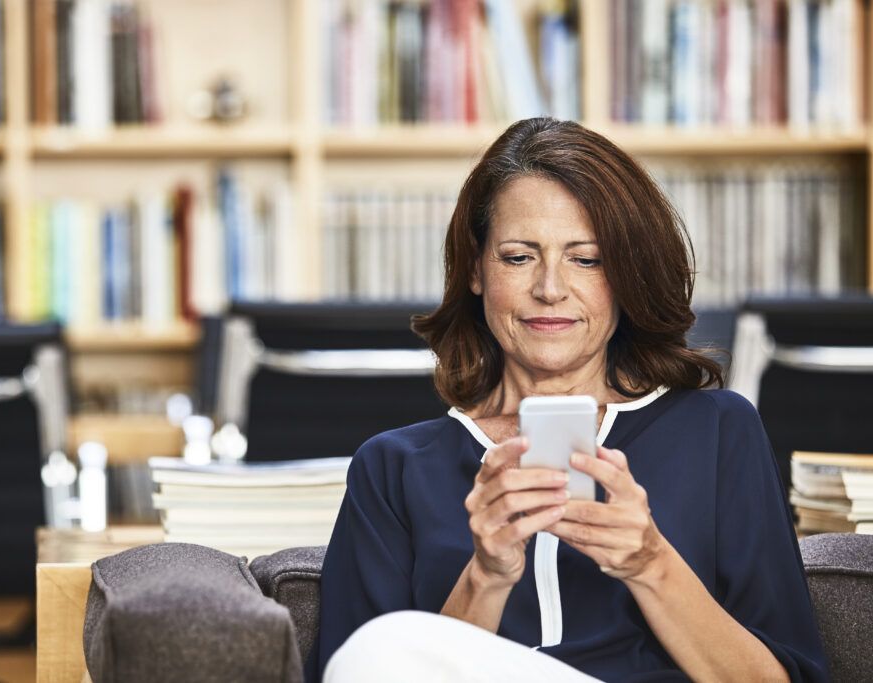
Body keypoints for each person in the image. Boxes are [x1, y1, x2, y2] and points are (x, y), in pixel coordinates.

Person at [303, 118, 829, 682]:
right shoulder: (393, 467)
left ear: (626, 275)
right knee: (376, 649)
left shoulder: (719, 431)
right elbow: (357, 668)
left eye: (587, 259)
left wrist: (650, 563)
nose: (550, 288)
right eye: (517, 257)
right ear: (477, 269)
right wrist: (486, 575)